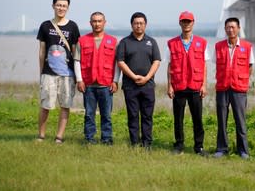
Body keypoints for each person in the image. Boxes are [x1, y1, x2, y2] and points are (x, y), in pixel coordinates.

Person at [36, 0, 80, 144]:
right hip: (48, 72)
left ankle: (59, 137)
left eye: (64, 6)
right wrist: (41, 73)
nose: (61, 8)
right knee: (45, 105)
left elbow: (75, 53)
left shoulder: (73, 26)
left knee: (65, 105)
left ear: (68, 8)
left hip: (67, 73)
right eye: (59, 5)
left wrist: (77, 75)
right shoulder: (45, 26)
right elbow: (42, 51)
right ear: (53, 6)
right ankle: (41, 135)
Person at [166, 11, 209, 156]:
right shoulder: (172, 43)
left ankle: (199, 147)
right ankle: (179, 145)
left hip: (195, 86)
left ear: (193, 23)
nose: (186, 24)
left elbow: (204, 65)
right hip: (178, 86)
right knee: (178, 118)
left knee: (197, 118)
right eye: (184, 21)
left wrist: (204, 84)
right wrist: (170, 85)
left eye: (189, 21)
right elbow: (169, 66)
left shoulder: (202, 43)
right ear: (180, 23)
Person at [74, 12, 120, 145]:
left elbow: (117, 63)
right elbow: (77, 61)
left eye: (100, 21)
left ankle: (106, 138)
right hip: (88, 85)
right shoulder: (82, 41)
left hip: (106, 84)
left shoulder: (113, 41)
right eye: (94, 21)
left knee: (106, 115)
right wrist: (79, 80)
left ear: (104, 22)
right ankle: (89, 138)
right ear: (90, 23)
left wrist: (115, 81)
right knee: (89, 114)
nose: (97, 24)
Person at [116, 12, 161, 149]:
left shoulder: (152, 42)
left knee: (147, 116)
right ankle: (134, 143)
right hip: (130, 86)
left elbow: (156, 61)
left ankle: (147, 143)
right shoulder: (124, 42)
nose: (139, 26)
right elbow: (121, 62)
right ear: (132, 25)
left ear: (145, 25)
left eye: (141, 23)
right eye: (136, 23)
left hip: (148, 85)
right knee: (133, 115)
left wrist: (147, 77)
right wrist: (133, 76)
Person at [213, 17, 254, 159]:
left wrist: (241, 79)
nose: (230, 30)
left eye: (233, 27)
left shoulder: (247, 47)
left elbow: (250, 66)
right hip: (222, 88)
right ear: (225, 29)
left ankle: (243, 150)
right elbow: (215, 64)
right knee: (222, 120)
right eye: (228, 27)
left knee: (240, 120)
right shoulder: (218, 46)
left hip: (239, 89)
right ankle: (221, 149)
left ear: (238, 28)